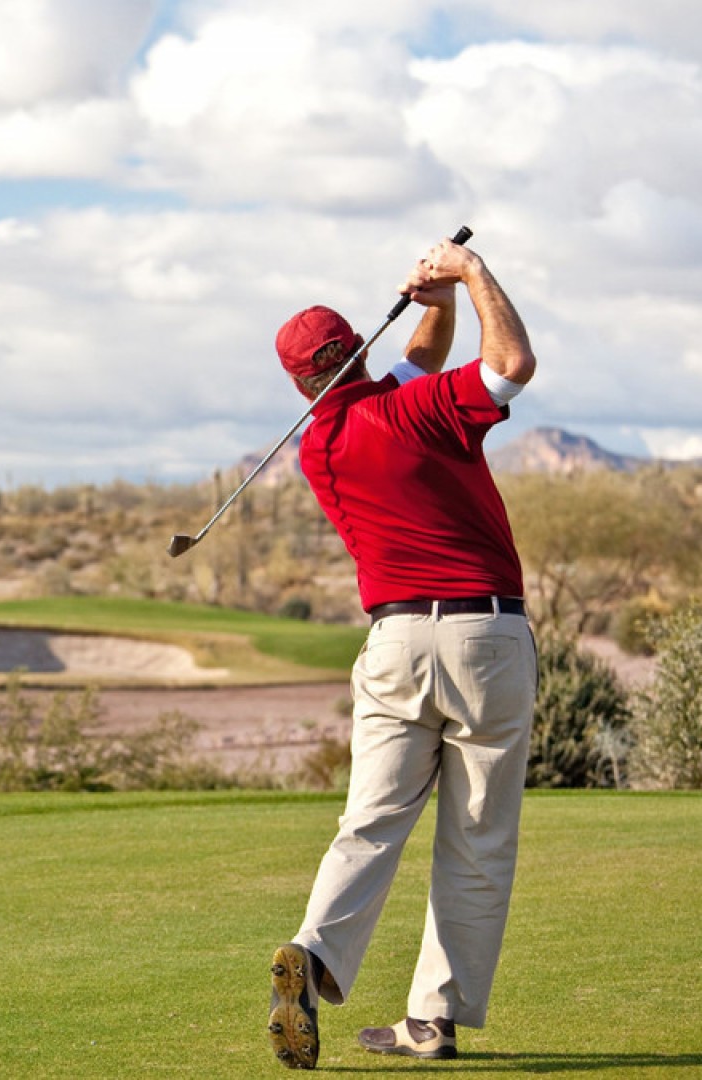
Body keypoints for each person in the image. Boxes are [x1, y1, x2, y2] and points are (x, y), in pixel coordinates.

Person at [263, 237, 538, 1069]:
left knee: (371, 822)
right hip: (484, 638)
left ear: (304, 384)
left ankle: (313, 955)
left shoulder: (322, 442)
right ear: (358, 348)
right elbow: (514, 363)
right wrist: (469, 275)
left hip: (394, 645)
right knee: (477, 836)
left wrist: (436, 307)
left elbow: (416, 372)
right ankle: (433, 1020)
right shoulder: (424, 411)